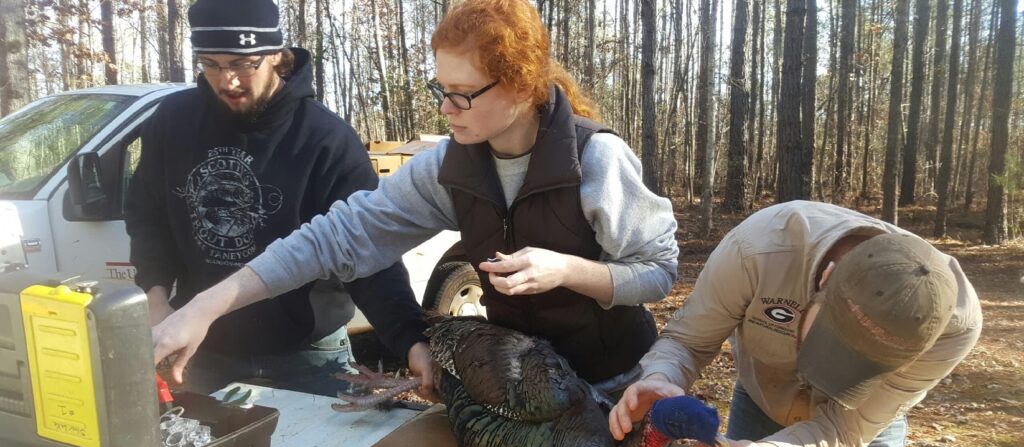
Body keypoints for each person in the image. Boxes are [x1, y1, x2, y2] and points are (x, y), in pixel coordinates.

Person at [148, 0, 679, 400]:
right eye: (440, 89)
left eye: (462, 93)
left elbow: (658, 273)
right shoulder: (451, 167)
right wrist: (205, 306)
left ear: (518, 86)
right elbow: (333, 238)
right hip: (522, 384)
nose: (446, 108)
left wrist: (567, 269)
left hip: (614, 383)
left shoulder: (596, 159)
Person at [126, 0, 427, 395]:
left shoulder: (325, 139)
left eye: (241, 64)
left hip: (308, 352)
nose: (226, 80)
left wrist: (410, 339)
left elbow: (368, 248)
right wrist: (155, 296)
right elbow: (148, 217)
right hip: (203, 346)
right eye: (211, 64)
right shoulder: (173, 122)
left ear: (274, 56)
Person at [609, 201, 982, 447]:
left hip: (861, 425)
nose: (829, 373)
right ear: (828, 275)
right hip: (761, 400)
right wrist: (661, 376)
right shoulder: (757, 250)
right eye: (830, 343)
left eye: (860, 366)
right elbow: (688, 342)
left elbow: (845, 428)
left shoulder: (952, 327)